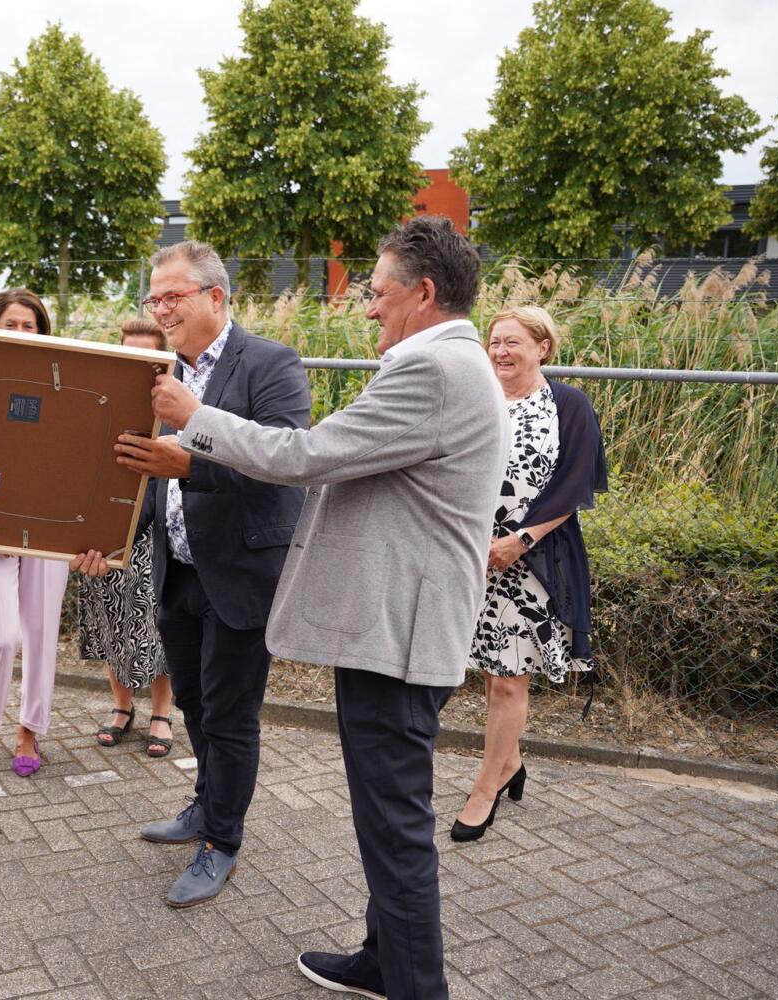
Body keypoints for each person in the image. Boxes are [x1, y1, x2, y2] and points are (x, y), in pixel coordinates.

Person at [150, 216, 509, 1000]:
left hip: (397, 640)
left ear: (423, 292)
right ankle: (383, 958)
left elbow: (307, 456)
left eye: (377, 292)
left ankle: (414, 984)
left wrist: (194, 420)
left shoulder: (433, 371)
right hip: (397, 633)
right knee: (386, 820)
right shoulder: (454, 364)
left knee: (396, 828)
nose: (367, 306)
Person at [79, 239, 310, 909]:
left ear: (215, 296)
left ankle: (222, 841)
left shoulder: (269, 363)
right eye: (153, 299)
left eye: (171, 296)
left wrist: (191, 462)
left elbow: (286, 464)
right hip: (176, 569)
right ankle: (206, 803)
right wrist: (103, 540)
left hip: (241, 573)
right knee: (194, 703)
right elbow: (136, 475)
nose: (160, 309)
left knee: (231, 716)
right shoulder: (156, 373)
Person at [452, 305, 606, 842]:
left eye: (513, 342)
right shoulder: (479, 399)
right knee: (490, 672)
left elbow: (576, 483)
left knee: (508, 680)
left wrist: (520, 541)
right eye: (494, 341)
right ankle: (511, 762)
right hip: (471, 558)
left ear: (543, 348)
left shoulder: (568, 405)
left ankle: (485, 787)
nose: (500, 351)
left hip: (530, 560)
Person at [0, 288, 74, 780]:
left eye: (30, 325)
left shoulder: (65, 382)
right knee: (1, 636)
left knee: (40, 632)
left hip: (48, 519)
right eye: (11, 325)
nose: (21, 333)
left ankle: (29, 729)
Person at [80, 318, 175, 757]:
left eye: (147, 357)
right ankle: (122, 709)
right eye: (129, 353)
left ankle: (161, 714)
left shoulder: (176, 413)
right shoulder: (98, 404)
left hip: (154, 538)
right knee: (109, 622)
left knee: (158, 628)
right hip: (104, 536)